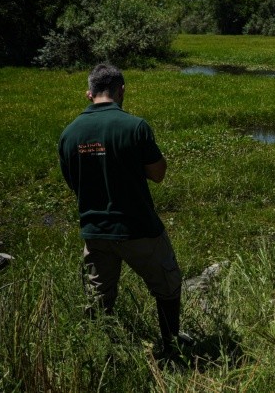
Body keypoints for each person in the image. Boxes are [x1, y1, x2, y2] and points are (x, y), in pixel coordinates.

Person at [58, 63, 184, 359]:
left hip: (95, 231)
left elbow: (73, 183)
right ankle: (170, 349)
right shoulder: (135, 126)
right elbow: (158, 173)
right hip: (138, 228)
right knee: (167, 286)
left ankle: (101, 356)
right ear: (121, 90)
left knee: (98, 299)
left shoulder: (69, 134)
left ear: (88, 93)